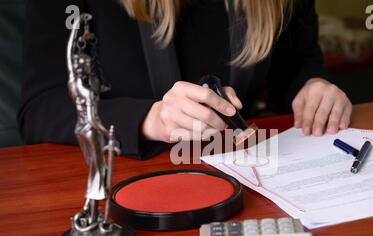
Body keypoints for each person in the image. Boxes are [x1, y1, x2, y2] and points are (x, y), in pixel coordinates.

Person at [19, 0, 352, 159]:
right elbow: (40, 107)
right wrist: (149, 120)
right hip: (124, 185)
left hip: (244, 175)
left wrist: (312, 86)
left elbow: (294, 64)